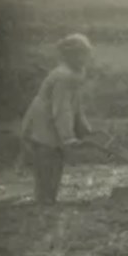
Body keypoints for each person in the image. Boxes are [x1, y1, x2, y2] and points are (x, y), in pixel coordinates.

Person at [19, 33, 95, 205]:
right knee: (47, 161)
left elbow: (75, 104)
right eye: (80, 54)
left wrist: (83, 127)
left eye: (86, 54)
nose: (85, 58)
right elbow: (62, 109)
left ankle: (49, 200)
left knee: (56, 160)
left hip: (52, 123)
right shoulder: (62, 76)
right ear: (70, 55)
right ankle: (44, 201)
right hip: (43, 124)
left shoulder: (76, 73)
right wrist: (68, 137)